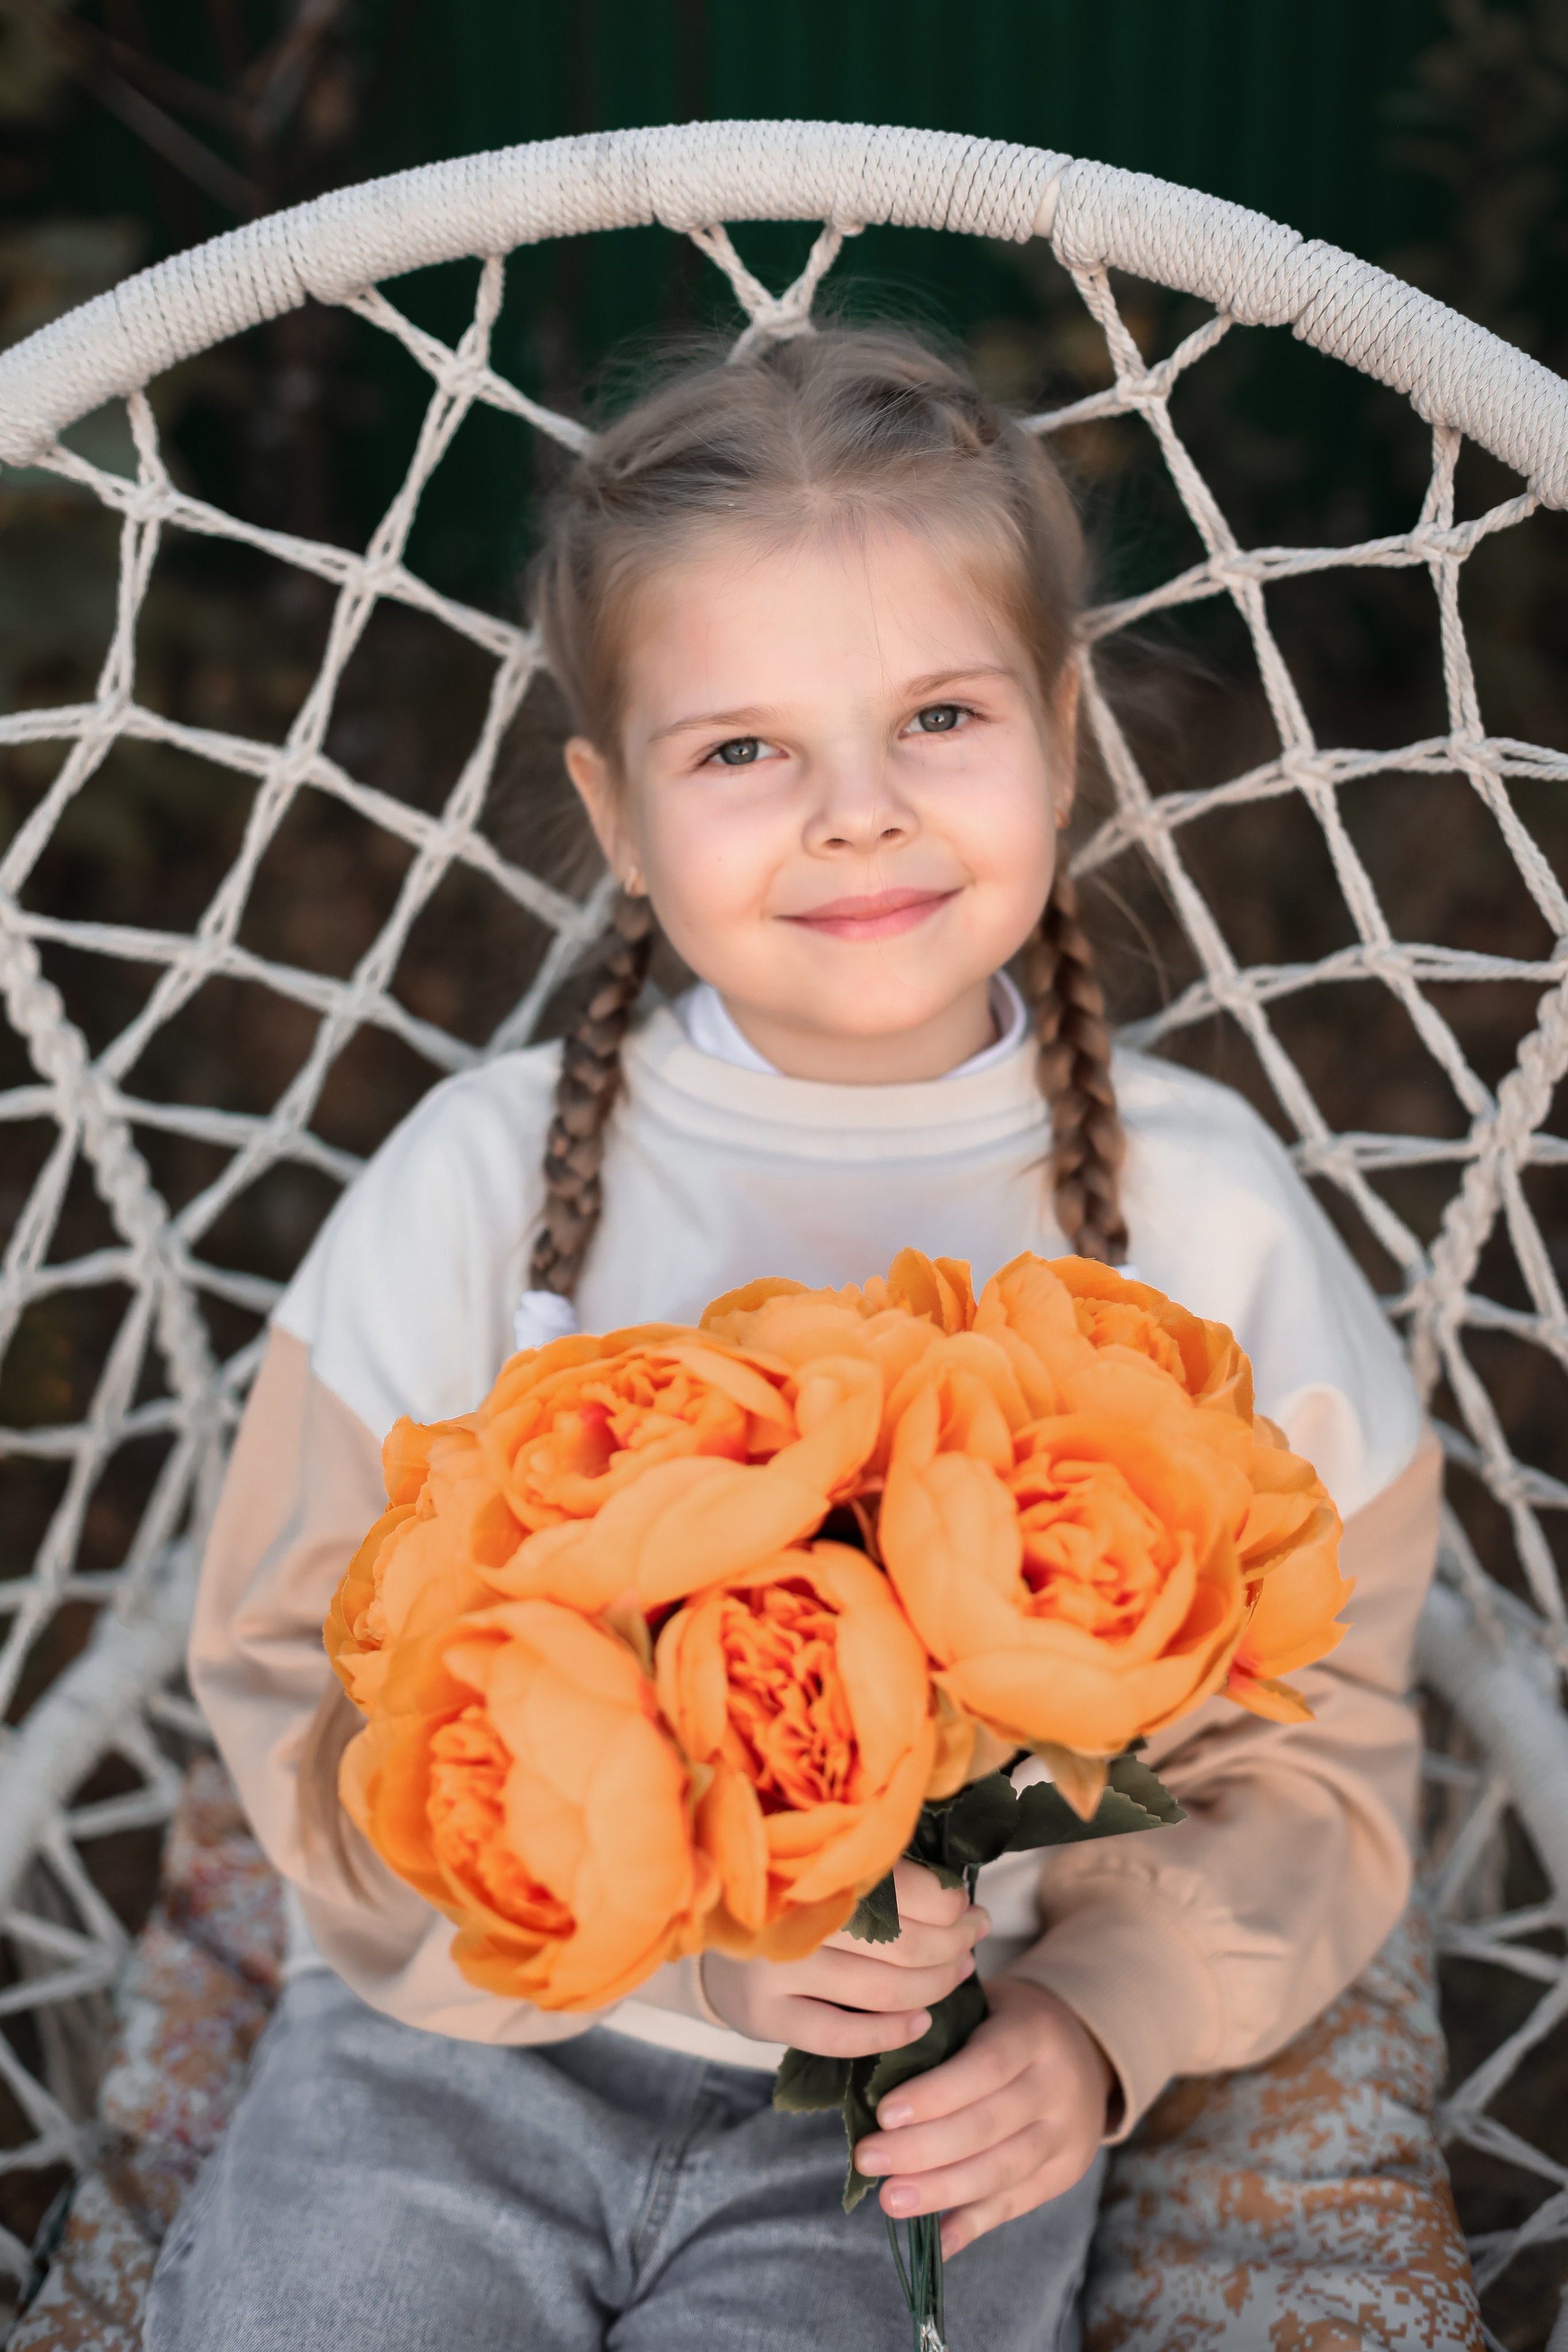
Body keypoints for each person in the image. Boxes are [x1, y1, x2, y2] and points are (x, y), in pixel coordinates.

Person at [147, 329, 1438, 2352]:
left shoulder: (1206, 1218)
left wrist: (1102, 2020)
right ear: (618, 804)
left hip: (927, 2091)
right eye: (743, 749)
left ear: (1064, 729)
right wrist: (668, 1962)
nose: (858, 814)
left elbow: (1324, 1739)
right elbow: (292, 1662)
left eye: (936, 714)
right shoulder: (487, 1185)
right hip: (465, 2043)